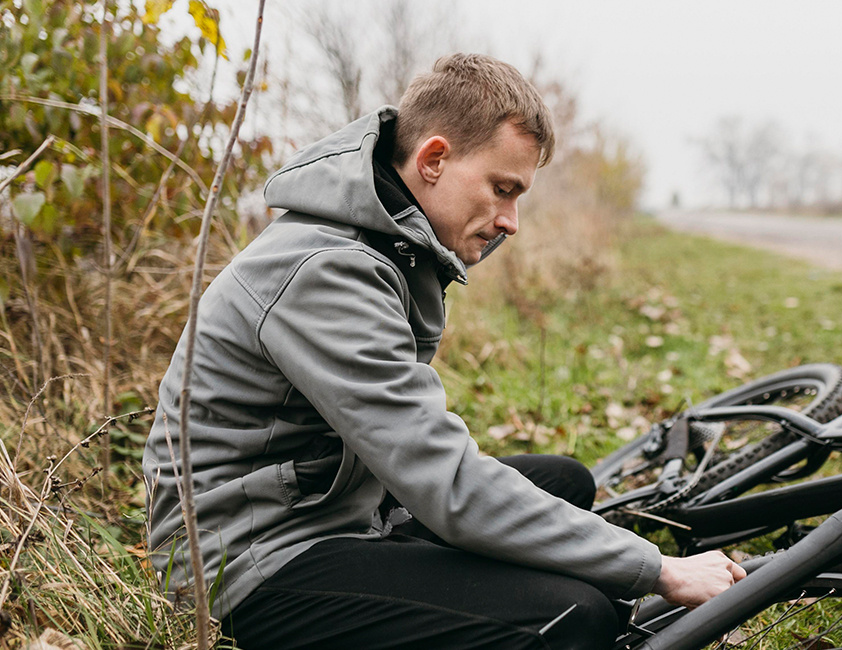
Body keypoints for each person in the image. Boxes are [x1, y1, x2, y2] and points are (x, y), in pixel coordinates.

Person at [142, 53, 745, 649]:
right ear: (434, 159)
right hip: (250, 561)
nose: (511, 221)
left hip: (343, 515)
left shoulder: (383, 243)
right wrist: (659, 570)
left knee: (565, 480)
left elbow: (422, 464)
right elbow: (443, 480)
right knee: (575, 618)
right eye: (501, 189)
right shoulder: (322, 271)